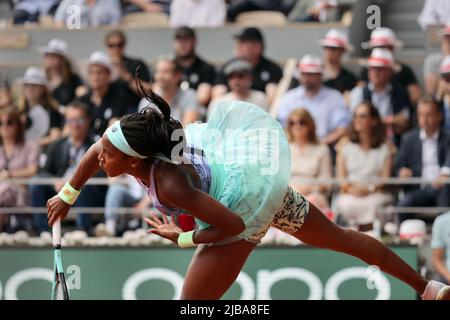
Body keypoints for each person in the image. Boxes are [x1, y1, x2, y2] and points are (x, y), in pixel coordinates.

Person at [46, 79, 450, 300]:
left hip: (238, 212)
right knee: (341, 239)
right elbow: (93, 153)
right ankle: (428, 289)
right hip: (254, 180)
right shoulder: (126, 149)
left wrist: (183, 238)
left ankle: (427, 288)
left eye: (109, 154)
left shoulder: (170, 184)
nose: (100, 157)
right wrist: (68, 195)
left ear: (134, 161)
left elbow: (232, 223)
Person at [31, 101, 107, 234]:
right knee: (36, 182)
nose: (75, 125)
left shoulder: (96, 146)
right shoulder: (57, 145)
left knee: (82, 186)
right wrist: (56, 181)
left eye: (79, 120)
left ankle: (82, 230)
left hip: (85, 189)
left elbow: (102, 173)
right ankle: (42, 230)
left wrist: (73, 184)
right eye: (71, 120)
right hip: (59, 186)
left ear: (88, 121)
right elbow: (46, 172)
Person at [335, 101, 395, 232]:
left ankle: (371, 234)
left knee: (376, 205)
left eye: (363, 116)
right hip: (350, 192)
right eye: (356, 116)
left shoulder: (386, 147)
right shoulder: (344, 145)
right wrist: (351, 189)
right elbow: (341, 177)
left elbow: (385, 178)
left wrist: (369, 189)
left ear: (373, 120)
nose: (357, 119)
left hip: (375, 193)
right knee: (345, 203)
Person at [395, 96, 450, 223]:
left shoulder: (448, 138)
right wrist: (402, 171)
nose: (424, 120)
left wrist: (445, 174)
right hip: (419, 189)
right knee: (403, 205)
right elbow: (399, 164)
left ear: (439, 116)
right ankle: (406, 239)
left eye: (429, 115)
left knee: (445, 204)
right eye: (421, 115)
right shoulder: (408, 139)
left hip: (444, 189)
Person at [276, 55, 349, 146]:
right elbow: (281, 127)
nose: (307, 78)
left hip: (326, 146)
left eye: (311, 74)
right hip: (294, 147)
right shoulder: (288, 98)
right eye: (304, 74)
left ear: (320, 75)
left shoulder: (335, 97)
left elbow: (342, 129)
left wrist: (319, 144)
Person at [350, 48, 412, 147]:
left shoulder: (400, 92)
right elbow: (356, 123)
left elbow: (404, 123)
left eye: (381, 69)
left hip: (392, 145)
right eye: (372, 68)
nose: (376, 72)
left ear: (390, 72)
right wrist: (390, 121)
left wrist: (373, 120)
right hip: (363, 145)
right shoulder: (358, 92)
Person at [212, 27, 283, 106]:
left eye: (243, 42)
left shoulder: (272, 69)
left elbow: (274, 99)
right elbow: (218, 94)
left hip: (260, 109)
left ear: (257, 46)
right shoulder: (229, 67)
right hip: (232, 108)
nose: (238, 45)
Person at [0, 107, 39, 232]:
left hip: (22, 193)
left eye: (9, 122)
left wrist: (10, 175)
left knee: (5, 188)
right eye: (1, 123)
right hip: (3, 197)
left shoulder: (30, 145)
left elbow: (33, 170)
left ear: (18, 125)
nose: (5, 126)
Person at [360, 28, 421, 106]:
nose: (376, 72)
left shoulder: (405, 71)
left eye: (384, 47)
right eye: (373, 69)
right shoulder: (365, 71)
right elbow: (361, 93)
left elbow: (415, 97)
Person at [285, 108, 332, 211]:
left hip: (314, 194)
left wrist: (308, 189)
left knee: (312, 201)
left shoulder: (322, 149)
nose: (297, 126)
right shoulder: (284, 148)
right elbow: (280, 181)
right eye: (292, 123)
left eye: (301, 122)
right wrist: (294, 191)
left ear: (309, 125)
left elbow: (326, 183)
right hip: (289, 195)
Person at [78, 51, 129, 141]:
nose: (95, 77)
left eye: (99, 73)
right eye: (92, 73)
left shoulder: (118, 99)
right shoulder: (82, 100)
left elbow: (115, 126)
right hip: (84, 144)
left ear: (108, 75)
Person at [137, 56, 199, 126]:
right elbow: (144, 129)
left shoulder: (189, 96)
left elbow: (188, 128)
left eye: (165, 72)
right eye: (158, 71)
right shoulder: (147, 101)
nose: (160, 76)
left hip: (180, 136)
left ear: (178, 75)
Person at [104, 29, 151, 113]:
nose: (116, 49)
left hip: (133, 112)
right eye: (111, 45)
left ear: (124, 45)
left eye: (119, 45)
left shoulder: (137, 64)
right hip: (108, 111)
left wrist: (125, 75)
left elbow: (148, 92)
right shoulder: (103, 66)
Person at [16, 67, 63, 147]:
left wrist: (33, 144)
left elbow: (55, 136)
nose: (30, 89)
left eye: (34, 86)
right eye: (27, 85)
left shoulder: (51, 110)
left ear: (43, 89)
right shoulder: (18, 110)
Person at [172, 26, 216, 107]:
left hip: (197, 112)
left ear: (194, 42)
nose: (182, 44)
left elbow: (203, 98)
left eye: (186, 40)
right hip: (170, 110)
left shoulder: (206, 68)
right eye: (179, 40)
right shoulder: (168, 68)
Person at [39, 38, 83, 107]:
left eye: (53, 55)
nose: (49, 58)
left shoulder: (73, 79)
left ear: (62, 59)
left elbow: (80, 96)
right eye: (47, 55)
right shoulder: (42, 78)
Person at [423, 24, 450, 97]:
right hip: (440, 103)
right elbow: (431, 92)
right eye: (446, 38)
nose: (448, 42)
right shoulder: (433, 60)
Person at [54, 0, 122, 28]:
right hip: (73, 39)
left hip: (101, 39)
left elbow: (115, 24)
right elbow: (58, 22)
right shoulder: (69, 1)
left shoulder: (111, 2)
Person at [431, 211, 450, 285]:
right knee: (435, 287)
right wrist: (448, 276)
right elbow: (437, 259)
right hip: (447, 277)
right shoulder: (441, 221)